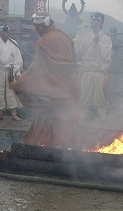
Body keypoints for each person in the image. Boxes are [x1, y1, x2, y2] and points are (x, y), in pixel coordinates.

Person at [11, 11, 80, 147]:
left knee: (49, 126)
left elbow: (38, 68)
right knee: (64, 123)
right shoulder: (65, 37)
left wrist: (21, 83)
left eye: (37, 27)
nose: (36, 30)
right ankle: (68, 149)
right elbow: (71, 63)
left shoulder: (46, 40)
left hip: (53, 92)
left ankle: (51, 148)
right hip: (68, 90)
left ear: (42, 26)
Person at [74, 12, 112, 122]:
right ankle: (82, 121)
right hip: (86, 72)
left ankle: (103, 121)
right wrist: (78, 35)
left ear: (102, 22)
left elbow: (106, 55)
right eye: (94, 20)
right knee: (84, 99)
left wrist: (98, 41)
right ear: (91, 21)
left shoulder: (106, 38)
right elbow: (77, 50)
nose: (96, 22)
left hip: (99, 72)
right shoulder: (84, 36)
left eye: (98, 20)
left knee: (101, 100)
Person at [0, 24, 23, 121]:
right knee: (0, 91)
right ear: (0, 33)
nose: (6, 34)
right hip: (0, 70)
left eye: (7, 32)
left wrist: (16, 71)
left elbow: (18, 58)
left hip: (10, 70)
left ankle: (13, 113)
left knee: (11, 92)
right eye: (4, 32)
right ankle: (0, 113)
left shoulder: (13, 43)